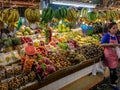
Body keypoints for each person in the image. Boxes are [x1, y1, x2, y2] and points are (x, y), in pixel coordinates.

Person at [101, 22, 120, 87]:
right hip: (109, 54)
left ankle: (115, 78)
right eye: (113, 28)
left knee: (114, 68)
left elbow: (119, 44)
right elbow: (101, 44)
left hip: (115, 54)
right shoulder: (106, 35)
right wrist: (110, 44)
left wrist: (118, 45)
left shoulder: (116, 36)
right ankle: (112, 83)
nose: (115, 29)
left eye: (116, 28)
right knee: (112, 68)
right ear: (109, 29)